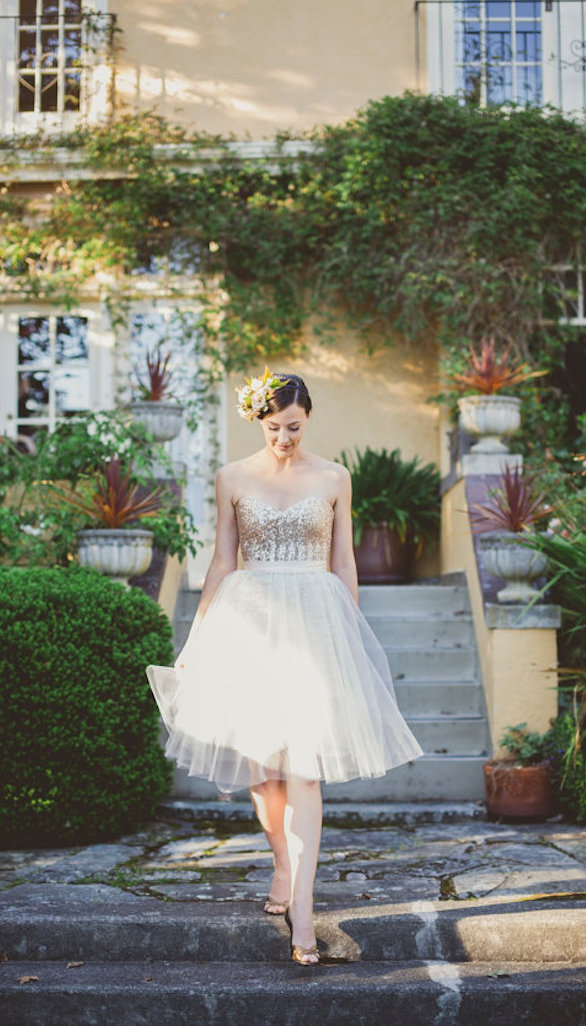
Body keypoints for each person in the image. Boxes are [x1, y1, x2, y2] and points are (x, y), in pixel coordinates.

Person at [147, 369, 423, 966]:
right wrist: (195, 637)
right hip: (248, 626)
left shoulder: (333, 478)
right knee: (263, 770)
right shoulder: (232, 478)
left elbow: (344, 560)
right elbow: (222, 561)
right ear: (258, 421)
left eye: (294, 427)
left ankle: (303, 909)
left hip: (315, 624)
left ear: (308, 418)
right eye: (274, 428)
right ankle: (280, 861)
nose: (284, 438)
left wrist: (350, 630)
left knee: (304, 773)